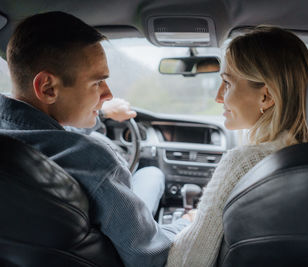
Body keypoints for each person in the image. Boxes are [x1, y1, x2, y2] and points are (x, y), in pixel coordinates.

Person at [0, 11, 191, 267]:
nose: (108, 95)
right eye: (98, 82)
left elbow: (52, 132)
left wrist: (100, 114)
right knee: (152, 174)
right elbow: (149, 256)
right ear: (47, 87)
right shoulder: (94, 160)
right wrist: (187, 223)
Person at [167, 26, 308, 266]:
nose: (218, 97)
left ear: (265, 97)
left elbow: (188, 262)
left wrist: (189, 224)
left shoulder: (244, 163)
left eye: (227, 83)